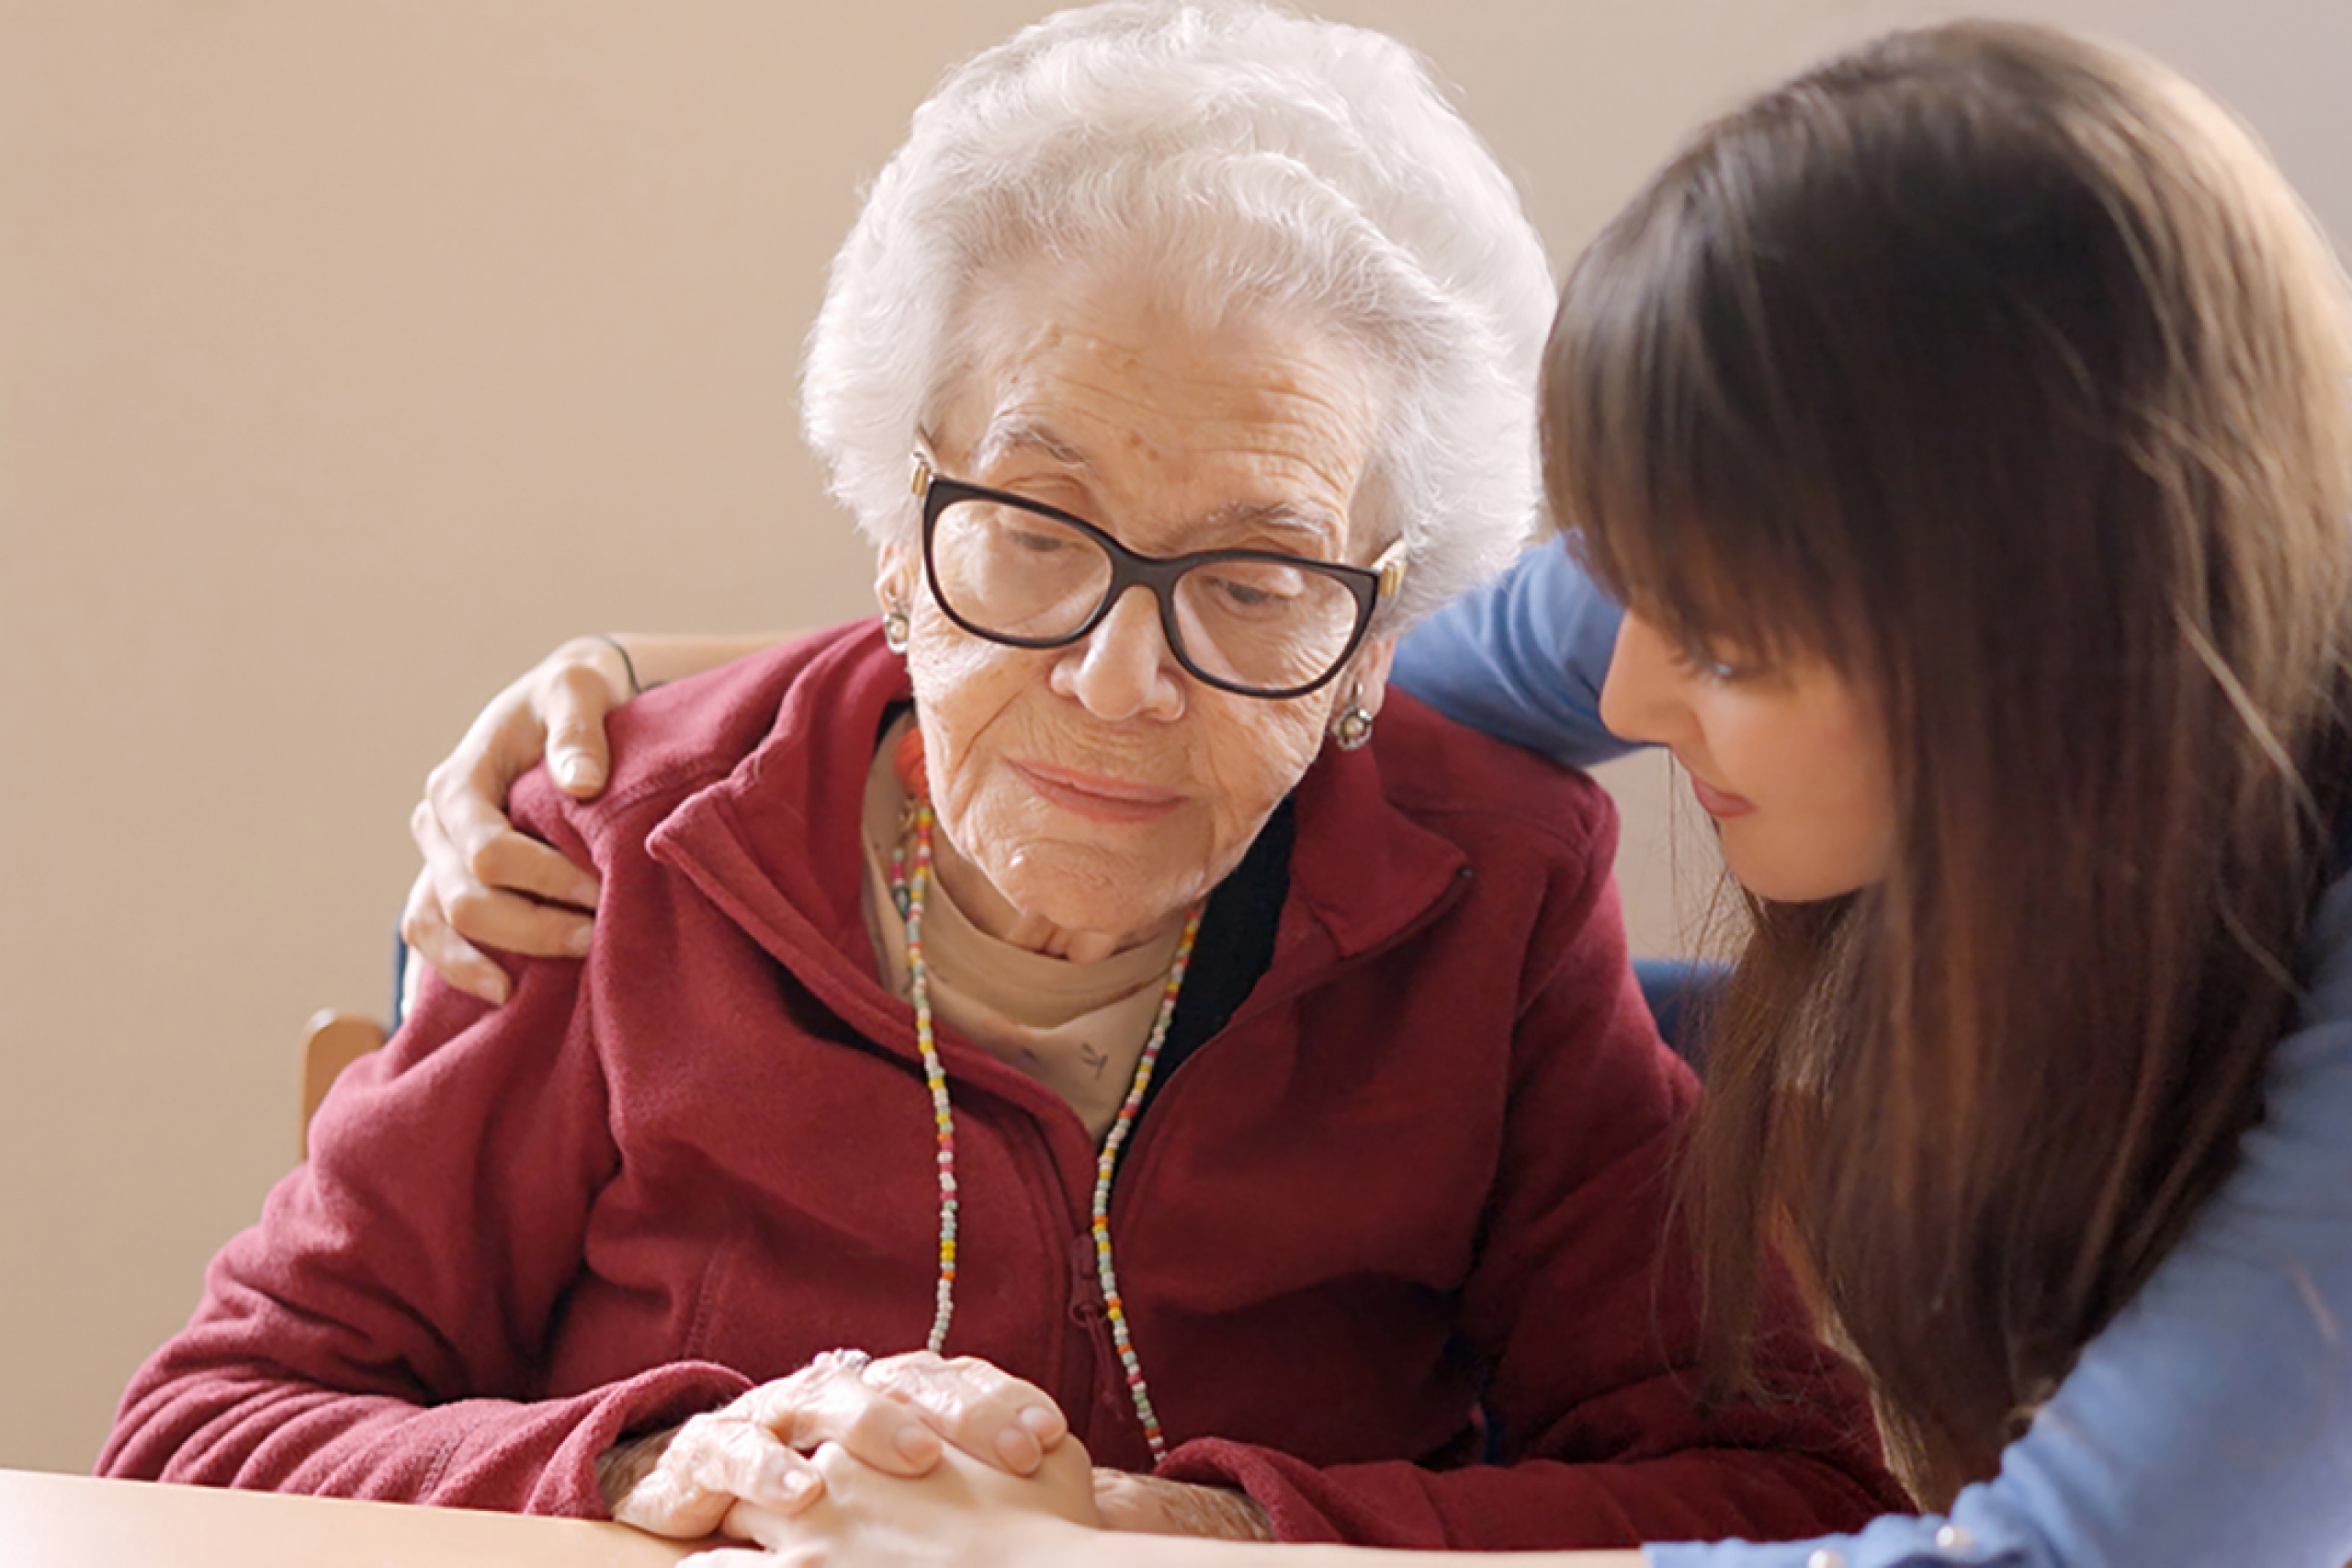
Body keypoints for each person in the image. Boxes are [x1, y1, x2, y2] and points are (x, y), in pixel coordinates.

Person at [412, 19, 2352, 1568]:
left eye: (1729, 641)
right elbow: (1238, 657)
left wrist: (1115, 1541)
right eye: (1018, 527)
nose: (1618, 682)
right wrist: (700, 702)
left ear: (2042, 641)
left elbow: (2014, 1552)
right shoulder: (659, 826)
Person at [99, 2, 1902, 1556]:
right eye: (1032, 533)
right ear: (901, 527)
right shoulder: (612, 845)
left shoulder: (1493, 886)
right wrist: (654, 1464)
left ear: (1371, 637)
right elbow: (198, 1432)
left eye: (1255, 576)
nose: (1117, 681)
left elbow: (1767, 1490)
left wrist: (1173, 1529)